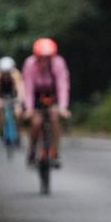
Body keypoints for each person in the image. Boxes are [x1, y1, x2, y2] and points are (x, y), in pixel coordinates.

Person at [22, 38, 71, 167]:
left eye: (47, 57)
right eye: (41, 57)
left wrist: (63, 107)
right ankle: (32, 150)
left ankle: (54, 151)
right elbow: (28, 88)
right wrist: (29, 109)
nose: (44, 60)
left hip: (52, 95)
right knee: (36, 122)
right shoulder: (30, 64)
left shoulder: (58, 63)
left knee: (54, 117)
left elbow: (62, 85)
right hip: (36, 96)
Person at [0, 56, 24, 141]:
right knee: (0, 112)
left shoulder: (16, 74)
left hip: (12, 94)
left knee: (17, 113)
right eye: (4, 72)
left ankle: (18, 131)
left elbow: (20, 89)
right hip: (1, 95)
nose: (6, 74)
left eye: (8, 72)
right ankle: (0, 130)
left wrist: (19, 103)